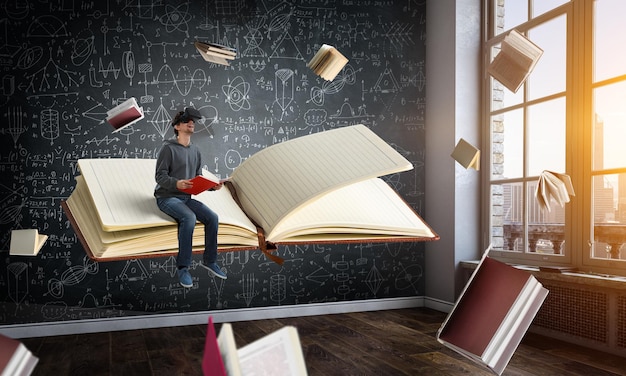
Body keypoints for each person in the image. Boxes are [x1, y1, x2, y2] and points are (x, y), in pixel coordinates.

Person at [154, 107, 227, 287]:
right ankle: (183, 268)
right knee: (189, 217)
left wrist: (212, 187)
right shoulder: (168, 148)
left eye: (193, 122)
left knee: (213, 218)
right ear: (177, 126)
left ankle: (210, 262)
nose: (191, 124)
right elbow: (160, 176)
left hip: (186, 198)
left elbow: (197, 179)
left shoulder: (196, 151)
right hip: (167, 197)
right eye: (187, 121)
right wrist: (176, 183)